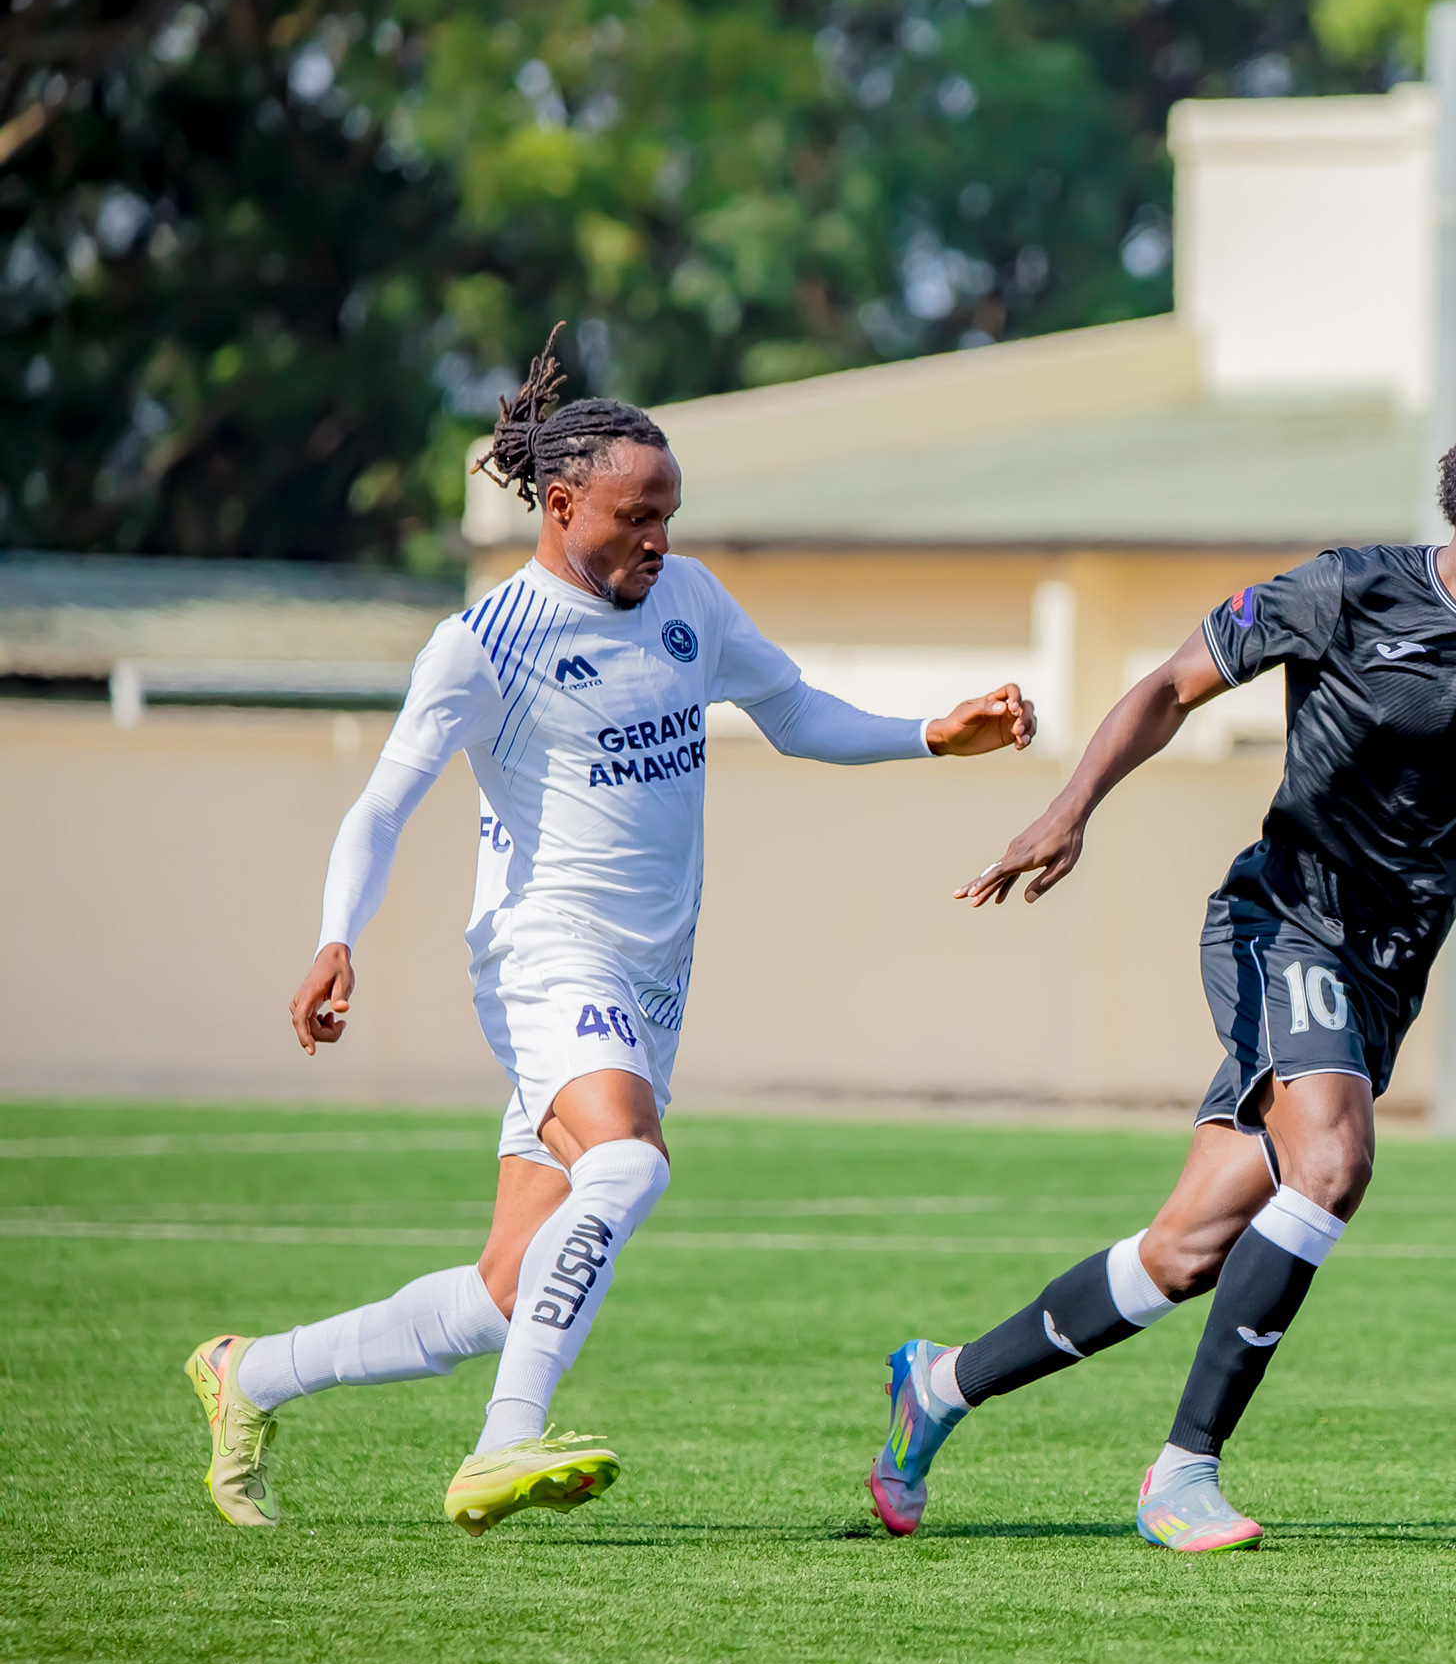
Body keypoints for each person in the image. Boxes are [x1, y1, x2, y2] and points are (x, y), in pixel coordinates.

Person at [864, 400, 1456, 1552]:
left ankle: (941, 1385)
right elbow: (1169, 687)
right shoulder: (1341, 593)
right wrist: (1069, 810)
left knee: (1184, 1251)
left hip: (1384, 978)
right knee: (1334, 1161)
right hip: (1282, 923)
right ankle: (1183, 1471)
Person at [183, 331, 1034, 1535]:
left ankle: (249, 1372)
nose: (660, 540)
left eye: (670, 515)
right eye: (637, 517)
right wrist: (336, 935)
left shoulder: (688, 599)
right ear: (562, 505)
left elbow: (793, 711)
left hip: (654, 973)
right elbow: (381, 805)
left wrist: (931, 736)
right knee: (628, 1162)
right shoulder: (485, 642)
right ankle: (502, 1445)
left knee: (502, 1293)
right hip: (546, 951)